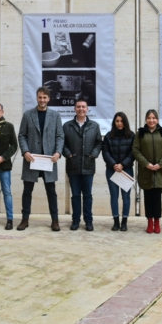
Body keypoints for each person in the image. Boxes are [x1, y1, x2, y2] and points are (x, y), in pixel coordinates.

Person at [18, 86, 64, 231]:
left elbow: (60, 136)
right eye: (40, 97)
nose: (42, 100)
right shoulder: (28, 115)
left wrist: (58, 152)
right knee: (27, 191)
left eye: (45, 97)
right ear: (37, 98)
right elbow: (22, 135)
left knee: (51, 191)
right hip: (32, 159)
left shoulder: (55, 115)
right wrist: (25, 151)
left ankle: (55, 220)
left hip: (49, 160)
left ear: (49, 99)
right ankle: (25, 219)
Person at [62, 99, 102, 231]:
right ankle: (75, 220)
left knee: (88, 195)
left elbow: (99, 143)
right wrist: (68, 154)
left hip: (88, 166)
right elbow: (62, 144)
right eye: (78, 107)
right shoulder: (67, 126)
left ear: (87, 109)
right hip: (73, 166)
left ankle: (89, 221)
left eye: (83, 107)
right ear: (74, 109)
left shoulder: (94, 126)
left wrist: (93, 154)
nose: (81, 109)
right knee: (75, 196)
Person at [132, 109, 162, 234]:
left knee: (157, 198)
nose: (151, 120)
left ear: (157, 120)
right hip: (146, 171)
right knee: (148, 198)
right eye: (149, 118)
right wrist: (146, 164)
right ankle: (149, 222)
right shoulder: (140, 133)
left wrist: (160, 164)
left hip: (160, 171)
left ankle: (157, 221)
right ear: (146, 119)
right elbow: (136, 150)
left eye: (154, 118)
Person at [102, 112, 135, 232]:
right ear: (114, 122)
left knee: (126, 197)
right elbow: (105, 152)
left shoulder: (132, 136)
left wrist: (122, 164)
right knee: (114, 196)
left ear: (125, 122)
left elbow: (133, 153)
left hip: (126, 170)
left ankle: (124, 222)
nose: (119, 123)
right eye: (117, 121)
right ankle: (116, 222)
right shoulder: (108, 136)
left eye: (121, 121)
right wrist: (114, 165)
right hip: (112, 170)